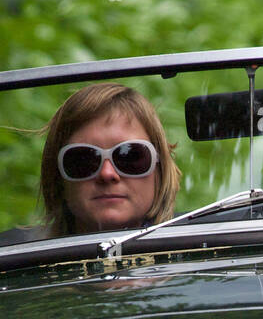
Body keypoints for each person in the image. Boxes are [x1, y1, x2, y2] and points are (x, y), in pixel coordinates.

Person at [38, 82, 181, 236]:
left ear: (159, 170)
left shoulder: (199, 252)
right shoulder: (20, 257)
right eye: (84, 160)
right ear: (57, 178)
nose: (107, 174)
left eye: (130, 157)